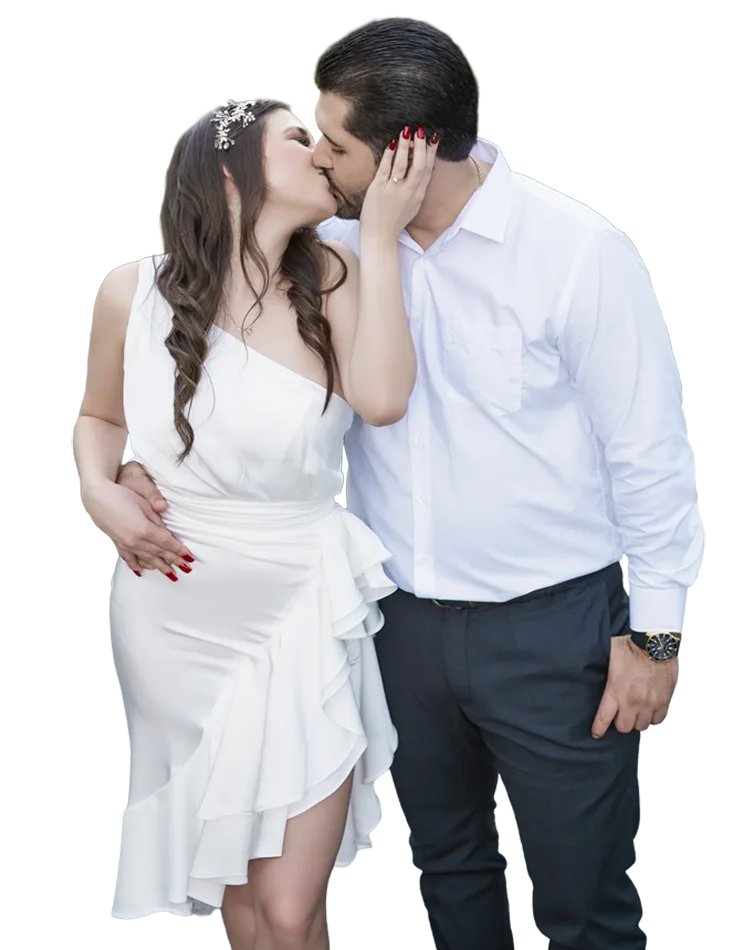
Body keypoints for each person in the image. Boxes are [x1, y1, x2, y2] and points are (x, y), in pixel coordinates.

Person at [116, 16, 705, 950]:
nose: (318, 157)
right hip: (396, 625)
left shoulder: (575, 252)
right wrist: (132, 465)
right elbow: (218, 362)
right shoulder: (325, 251)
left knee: (584, 896)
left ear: (408, 152)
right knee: (448, 870)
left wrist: (656, 638)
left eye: (334, 144)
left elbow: (650, 453)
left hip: (551, 627)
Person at [74, 96, 438, 949]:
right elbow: (99, 416)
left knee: (287, 905)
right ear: (230, 173)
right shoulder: (134, 292)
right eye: (298, 139)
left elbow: (383, 399)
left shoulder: (336, 274)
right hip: (176, 603)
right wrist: (98, 488)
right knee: (241, 899)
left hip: (298, 599)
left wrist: (381, 235)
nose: (322, 154)